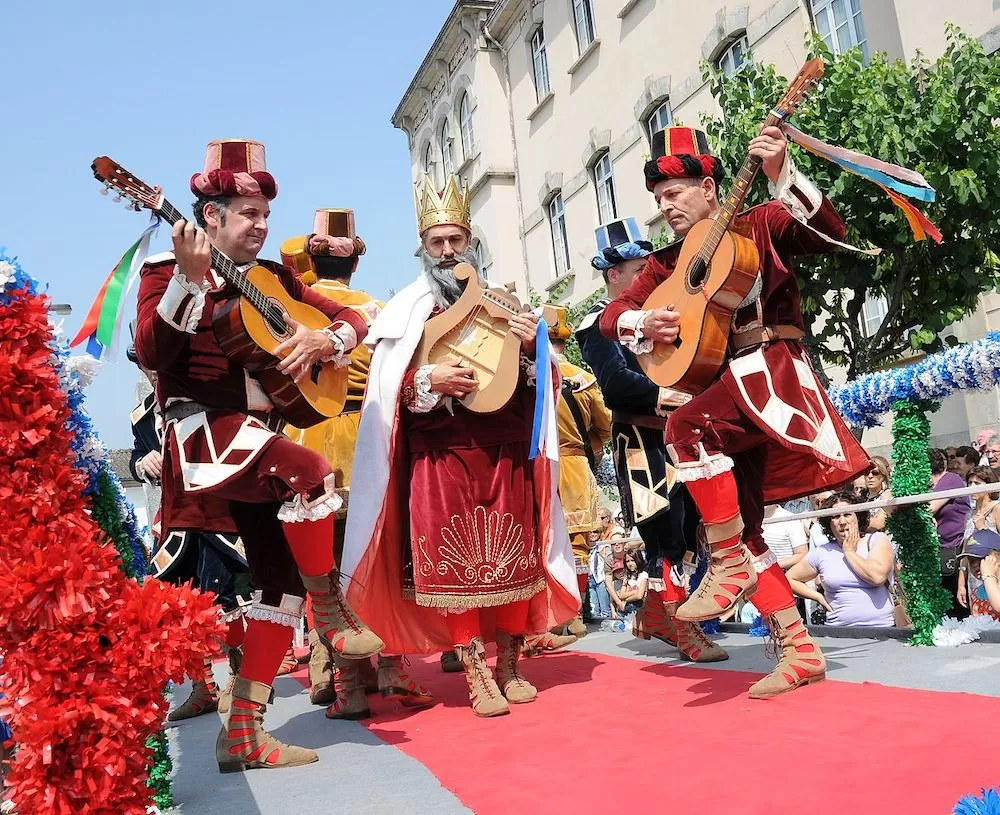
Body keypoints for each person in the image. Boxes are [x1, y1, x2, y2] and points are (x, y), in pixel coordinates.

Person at [134, 139, 383, 771]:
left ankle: (242, 732)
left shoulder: (274, 277)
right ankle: (330, 603)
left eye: (266, 214)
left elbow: (358, 320)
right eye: (248, 214)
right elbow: (154, 354)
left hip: (261, 439)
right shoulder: (165, 270)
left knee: (277, 588)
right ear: (209, 216)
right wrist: (189, 285)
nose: (263, 225)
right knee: (313, 472)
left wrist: (322, 338)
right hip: (205, 434)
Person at [600, 125, 872, 698]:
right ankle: (798, 648)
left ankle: (724, 566)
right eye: (657, 198)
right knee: (743, 529)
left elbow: (830, 231)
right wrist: (640, 322)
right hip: (730, 386)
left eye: (674, 193)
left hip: (773, 371)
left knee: (683, 424)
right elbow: (612, 314)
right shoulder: (666, 263)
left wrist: (779, 173)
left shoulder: (760, 224)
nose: (664, 206)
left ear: (709, 187)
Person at [340, 174, 579, 718]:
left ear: (472, 243)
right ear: (422, 249)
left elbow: (548, 383)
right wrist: (426, 380)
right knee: (455, 568)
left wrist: (530, 347)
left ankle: (510, 664)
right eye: (437, 242)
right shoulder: (405, 312)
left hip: (504, 449)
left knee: (515, 563)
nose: (448, 252)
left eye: (456, 240)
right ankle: (474, 670)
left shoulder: (506, 305)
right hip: (439, 456)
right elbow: (385, 392)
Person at [280, 209, 432, 716]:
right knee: (380, 555)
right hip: (369, 434)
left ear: (312, 260)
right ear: (354, 266)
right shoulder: (381, 309)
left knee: (323, 566)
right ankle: (393, 669)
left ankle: (343, 683)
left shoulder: (294, 306)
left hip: (310, 437)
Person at [576, 216, 725, 664]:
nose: (649, 277)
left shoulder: (660, 312)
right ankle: (679, 625)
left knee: (688, 528)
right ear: (613, 275)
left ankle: (661, 617)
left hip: (675, 433)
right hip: (640, 438)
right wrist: (663, 392)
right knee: (664, 533)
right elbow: (615, 383)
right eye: (639, 269)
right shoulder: (596, 325)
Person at [127, 342, 252, 721]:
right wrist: (139, 463)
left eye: (156, 363)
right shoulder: (142, 415)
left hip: (215, 510)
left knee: (227, 595)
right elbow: (137, 453)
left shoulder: (208, 392)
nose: (152, 372)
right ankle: (202, 686)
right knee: (175, 602)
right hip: (173, 519)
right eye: (146, 366)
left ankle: (239, 677)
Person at [786, 492, 896, 627]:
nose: (842, 522)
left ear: (858, 517)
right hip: (838, 630)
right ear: (829, 523)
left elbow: (877, 577)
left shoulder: (876, 540)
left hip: (881, 629)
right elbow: (789, 579)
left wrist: (849, 552)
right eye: (836, 516)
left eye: (847, 514)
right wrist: (817, 596)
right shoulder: (823, 552)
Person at [929, 448, 972, 619]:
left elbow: (928, 508)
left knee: (956, 597)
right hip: (940, 548)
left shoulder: (950, 480)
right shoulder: (929, 486)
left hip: (955, 547)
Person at [957, 466, 1000, 612]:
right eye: (970, 483)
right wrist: (961, 583)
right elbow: (965, 549)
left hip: (993, 572)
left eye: (977, 483)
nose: (972, 487)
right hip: (973, 573)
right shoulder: (969, 514)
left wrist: (982, 527)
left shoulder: (997, 509)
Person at [960, 531, 1000, 619]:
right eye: (971, 560)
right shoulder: (976, 593)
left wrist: (989, 575)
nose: (975, 564)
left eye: (981, 558)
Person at [610, 551, 649, 618]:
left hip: (638, 607)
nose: (630, 564)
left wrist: (626, 599)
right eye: (627, 561)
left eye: (632, 560)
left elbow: (639, 596)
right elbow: (621, 595)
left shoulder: (643, 575)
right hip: (626, 608)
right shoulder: (627, 577)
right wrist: (635, 591)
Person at [865, 456, 893, 533]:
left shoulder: (887, 494)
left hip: (883, 540)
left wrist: (856, 523)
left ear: (883, 476)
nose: (870, 476)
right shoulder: (861, 497)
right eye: (866, 473)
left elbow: (878, 524)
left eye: (875, 473)